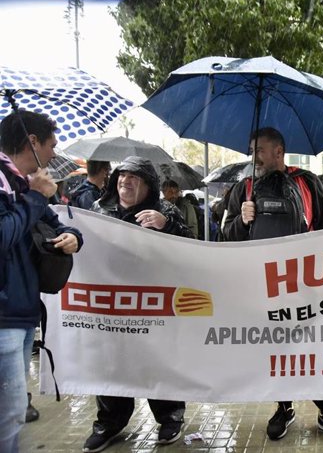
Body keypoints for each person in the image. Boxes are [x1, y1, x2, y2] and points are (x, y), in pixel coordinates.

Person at [222, 127, 323, 444]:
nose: (253, 156)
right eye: (252, 149)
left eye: (259, 149)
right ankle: (284, 407)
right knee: (277, 350)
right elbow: (226, 238)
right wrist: (242, 219)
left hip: (307, 288)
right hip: (264, 292)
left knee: (317, 350)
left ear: (279, 151)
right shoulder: (244, 188)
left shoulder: (307, 183)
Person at [83, 156, 192, 452]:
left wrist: (167, 225)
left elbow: (191, 250)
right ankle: (109, 422)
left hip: (154, 305)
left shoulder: (165, 211)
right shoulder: (98, 210)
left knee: (159, 361)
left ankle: (169, 416)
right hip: (112, 307)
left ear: (149, 185)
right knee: (112, 363)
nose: (125, 181)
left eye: (134, 177)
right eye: (121, 176)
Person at [0, 110, 83, 453]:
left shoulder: (21, 182)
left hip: (20, 315)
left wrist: (73, 237)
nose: (53, 154)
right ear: (31, 142)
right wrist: (34, 198)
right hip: (4, 319)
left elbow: (56, 223)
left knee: (12, 413)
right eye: (51, 145)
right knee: (10, 414)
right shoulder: (12, 184)